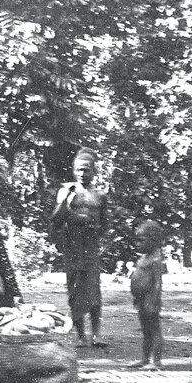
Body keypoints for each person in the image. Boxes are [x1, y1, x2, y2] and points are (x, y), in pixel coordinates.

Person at [50, 148, 109, 347]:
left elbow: (105, 224)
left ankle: (96, 335)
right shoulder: (66, 191)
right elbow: (56, 220)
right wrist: (66, 200)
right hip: (72, 246)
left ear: (94, 171)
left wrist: (93, 231)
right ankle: (81, 336)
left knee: (94, 290)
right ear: (73, 170)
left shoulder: (100, 196)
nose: (82, 174)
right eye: (78, 170)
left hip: (90, 246)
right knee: (74, 290)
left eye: (86, 170)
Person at [129, 220, 167, 369]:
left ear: (153, 240)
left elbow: (158, 282)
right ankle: (145, 359)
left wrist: (154, 300)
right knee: (146, 330)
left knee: (154, 329)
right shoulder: (144, 257)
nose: (137, 244)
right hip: (141, 298)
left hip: (150, 299)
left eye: (141, 240)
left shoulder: (156, 259)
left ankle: (157, 362)